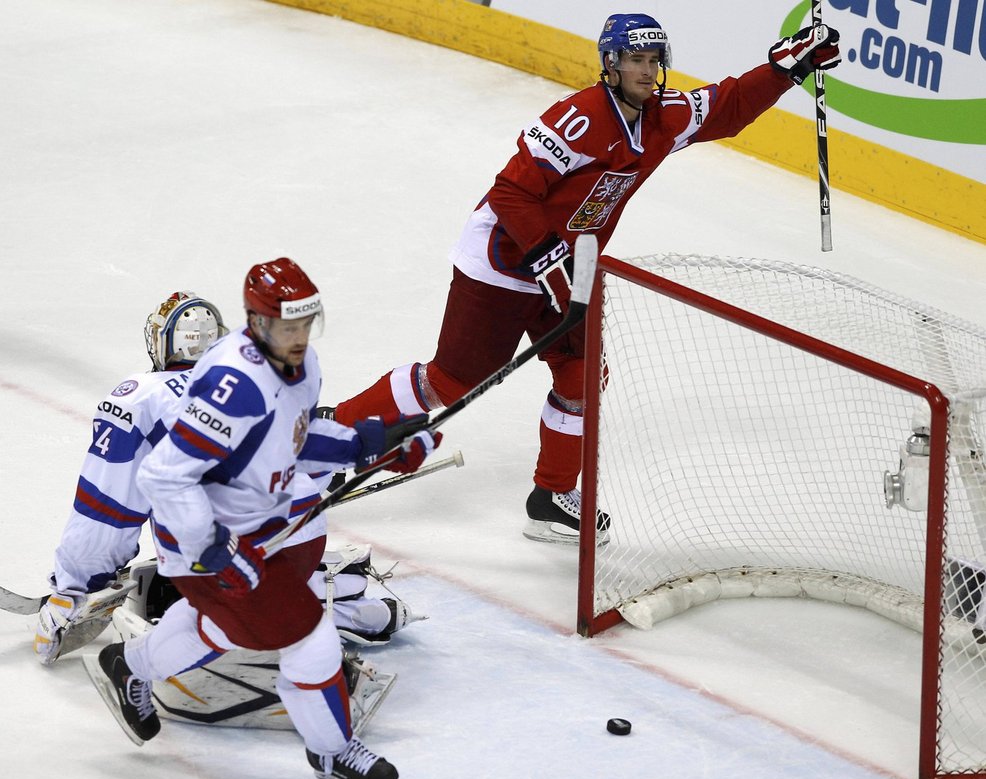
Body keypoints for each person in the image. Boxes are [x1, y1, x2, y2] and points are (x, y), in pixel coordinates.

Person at [327, 14, 842, 545]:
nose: (647, 71)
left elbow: (728, 107)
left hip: (566, 269)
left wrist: (787, 68)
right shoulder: (578, 119)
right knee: (452, 382)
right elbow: (509, 193)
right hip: (502, 262)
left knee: (582, 372)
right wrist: (549, 260)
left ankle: (550, 497)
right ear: (611, 65)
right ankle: (334, 429)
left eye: (653, 61)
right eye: (635, 60)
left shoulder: (663, 118)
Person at [95, 258, 439, 779]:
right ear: (256, 323)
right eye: (286, 326)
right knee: (309, 638)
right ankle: (330, 751)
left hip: (258, 529)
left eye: (307, 322)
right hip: (202, 543)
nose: (299, 337)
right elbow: (164, 476)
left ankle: (131, 664)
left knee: (221, 626)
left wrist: (368, 446)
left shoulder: (301, 366)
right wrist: (214, 546)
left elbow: (291, 443)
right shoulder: (234, 388)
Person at [35, 291, 414, 666]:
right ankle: (348, 601)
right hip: (298, 531)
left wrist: (76, 586)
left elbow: (107, 506)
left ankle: (292, 616)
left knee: (187, 595)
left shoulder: (140, 397)